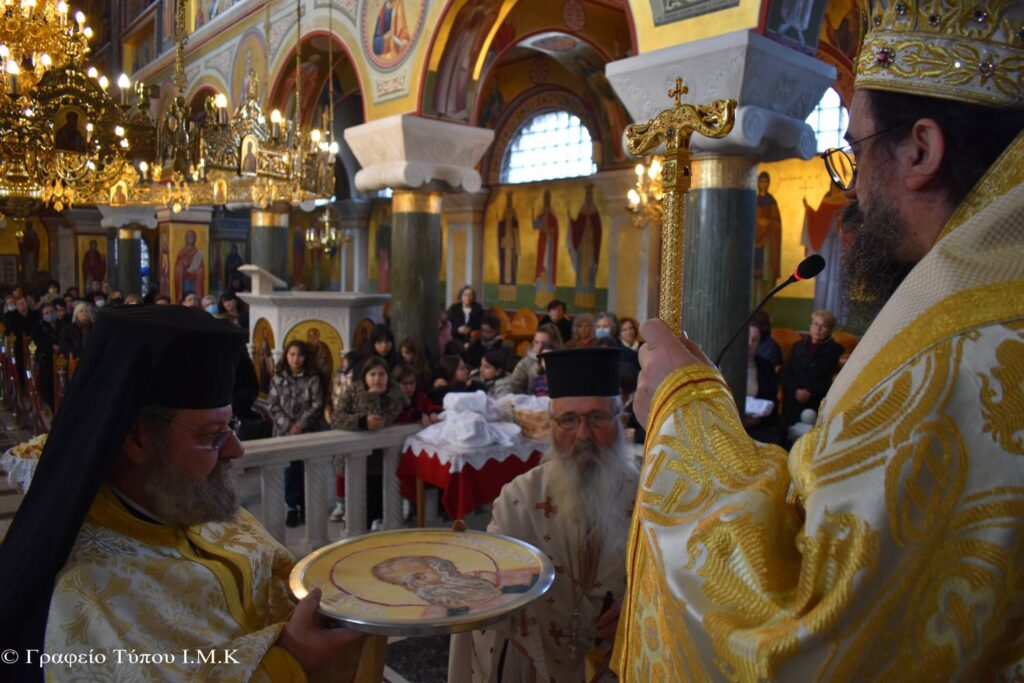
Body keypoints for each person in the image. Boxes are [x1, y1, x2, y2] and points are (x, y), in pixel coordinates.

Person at [614, 5, 1024, 678]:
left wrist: (685, 412)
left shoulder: (960, 346)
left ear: (921, 150)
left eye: (856, 150)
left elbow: (803, 623)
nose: (851, 185)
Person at [0, 306, 376, 682]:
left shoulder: (189, 498)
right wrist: (293, 662)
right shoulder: (82, 594)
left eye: (232, 426)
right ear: (136, 437)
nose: (236, 450)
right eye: (211, 435)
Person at [449, 347, 639, 681]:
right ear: (551, 425)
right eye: (569, 419)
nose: (583, 434)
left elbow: (674, 585)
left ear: (620, 421)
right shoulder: (518, 499)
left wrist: (639, 609)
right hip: (535, 666)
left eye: (597, 418)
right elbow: (492, 595)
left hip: (621, 662)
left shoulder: (648, 499)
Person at [267, 340, 323, 527]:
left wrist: (299, 425)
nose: (296, 359)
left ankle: (307, 506)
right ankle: (292, 507)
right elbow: (272, 405)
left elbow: (317, 404)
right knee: (289, 472)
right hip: (284, 433)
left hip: (307, 431)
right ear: (286, 356)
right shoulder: (278, 377)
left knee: (307, 470)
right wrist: (288, 426)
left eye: (299, 355)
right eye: (292, 354)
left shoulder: (312, 377)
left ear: (305, 357)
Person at [779, 309, 843, 429]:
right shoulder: (797, 346)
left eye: (824, 326)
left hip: (817, 400)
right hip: (794, 397)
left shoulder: (836, 350)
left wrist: (810, 392)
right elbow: (786, 372)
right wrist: (795, 390)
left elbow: (832, 380)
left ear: (830, 329)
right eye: (815, 324)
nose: (818, 329)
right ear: (810, 325)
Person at [509, 323, 563, 394]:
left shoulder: (564, 362)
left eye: (544, 343)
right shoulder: (525, 363)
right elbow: (514, 386)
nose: (539, 347)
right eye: (536, 342)